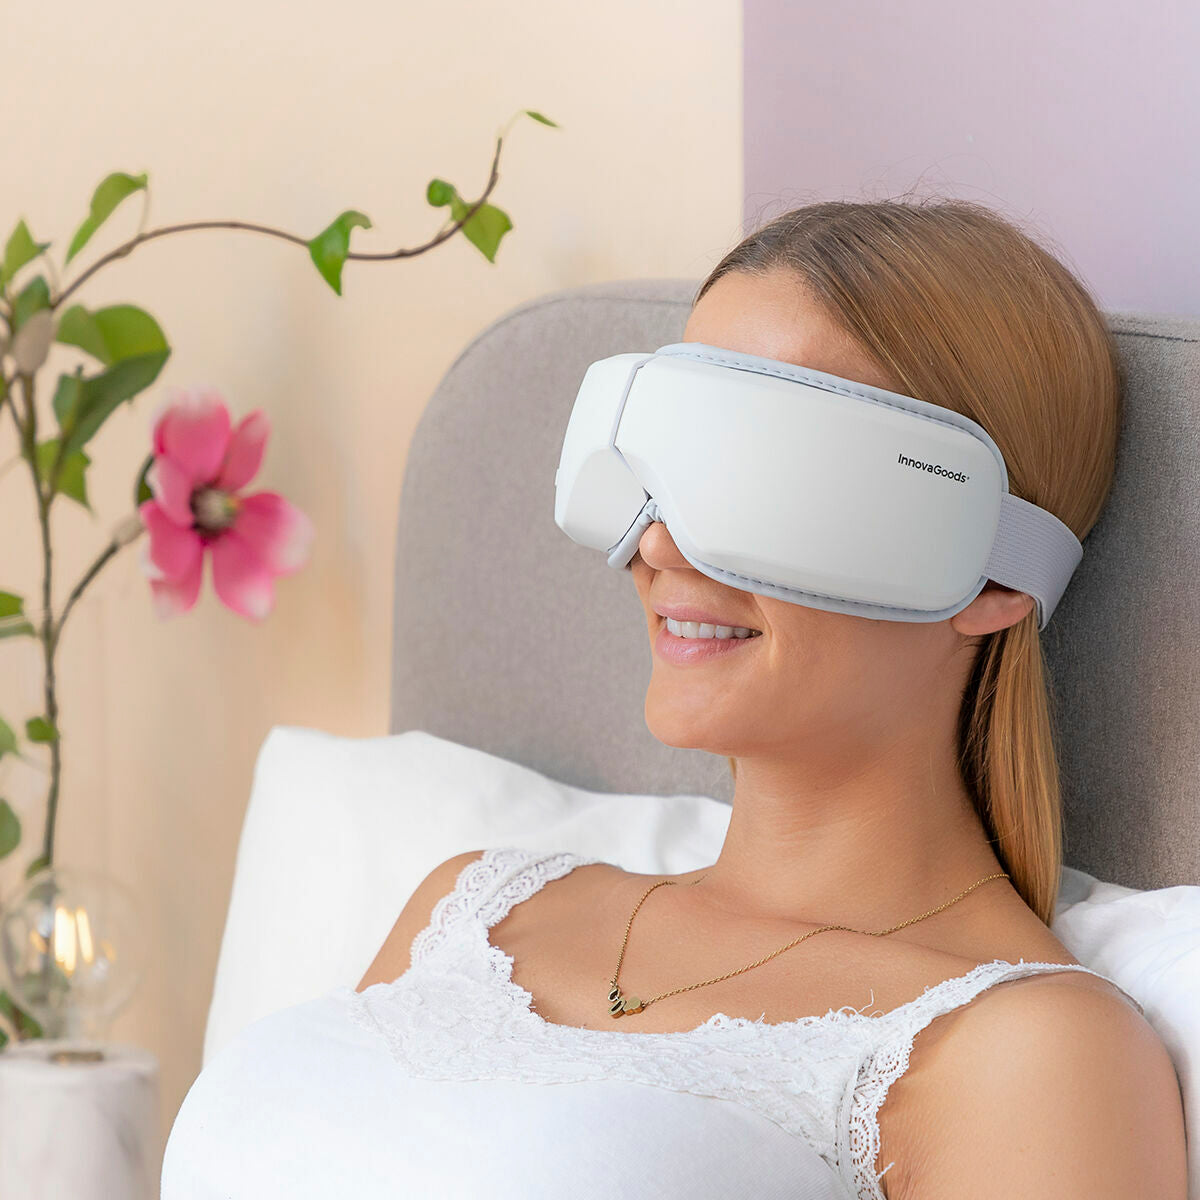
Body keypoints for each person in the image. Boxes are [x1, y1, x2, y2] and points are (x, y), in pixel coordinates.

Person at [161, 200, 1188, 1199]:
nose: (656, 544)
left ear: (995, 575)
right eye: (660, 467)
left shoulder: (1030, 1053)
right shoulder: (472, 907)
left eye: (759, 473)